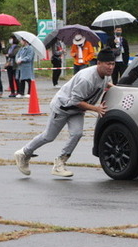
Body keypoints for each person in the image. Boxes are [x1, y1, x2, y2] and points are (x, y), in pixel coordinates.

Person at [13, 48, 116, 177]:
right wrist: (96, 109)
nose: (111, 67)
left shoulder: (106, 75)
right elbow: (75, 100)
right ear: (99, 63)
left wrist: (118, 88)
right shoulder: (87, 78)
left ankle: (60, 162)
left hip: (78, 109)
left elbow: (107, 84)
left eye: (113, 64)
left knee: (77, 134)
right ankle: (23, 153)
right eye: (108, 64)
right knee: (49, 136)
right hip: (63, 107)